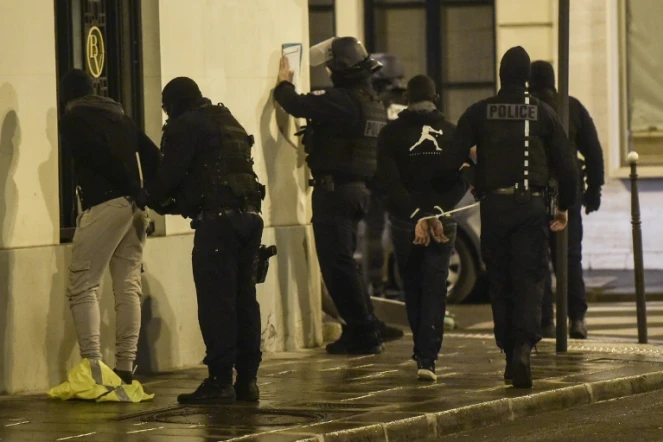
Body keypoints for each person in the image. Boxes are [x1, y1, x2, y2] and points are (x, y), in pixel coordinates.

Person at [433, 47, 578, 388]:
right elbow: (567, 165)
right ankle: (524, 348)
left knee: (500, 280)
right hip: (531, 208)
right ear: (526, 77)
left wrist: (467, 179)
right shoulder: (542, 114)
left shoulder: (478, 113)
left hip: (495, 209)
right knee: (529, 278)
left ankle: (509, 350)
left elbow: (450, 159)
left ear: (501, 75)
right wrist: (564, 205)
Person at [139, 77, 265, 404]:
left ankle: (220, 381)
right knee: (244, 300)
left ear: (175, 103)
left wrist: (147, 195)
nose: (167, 116)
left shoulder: (185, 125)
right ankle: (248, 381)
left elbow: (167, 181)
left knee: (217, 302)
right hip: (250, 218)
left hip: (219, 223)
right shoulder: (227, 119)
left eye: (167, 109)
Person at [274, 36, 402, 354]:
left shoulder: (343, 100)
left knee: (338, 266)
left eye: (331, 67)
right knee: (348, 264)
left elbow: (295, 103)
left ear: (342, 68)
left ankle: (362, 331)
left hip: (336, 192)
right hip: (357, 191)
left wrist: (283, 84)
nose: (329, 72)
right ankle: (368, 322)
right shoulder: (370, 100)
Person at [58, 69, 161, 385]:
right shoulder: (119, 115)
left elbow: (96, 155)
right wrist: (147, 193)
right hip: (133, 207)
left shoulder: (74, 118)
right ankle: (125, 368)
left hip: (105, 204)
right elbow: (152, 152)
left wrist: (128, 184)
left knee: (82, 284)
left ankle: (92, 369)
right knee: (128, 284)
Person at [376, 75, 471, 381]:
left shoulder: (391, 134)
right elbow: (464, 176)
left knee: (413, 286)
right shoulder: (454, 133)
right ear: (436, 98)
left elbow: (388, 182)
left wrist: (417, 213)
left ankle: (420, 353)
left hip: (407, 221)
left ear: (406, 100)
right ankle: (428, 359)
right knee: (435, 287)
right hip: (444, 219)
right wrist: (440, 210)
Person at [529, 60, 605, 340]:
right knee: (570, 258)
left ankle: (545, 320)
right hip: (568, 193)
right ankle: (577, 319)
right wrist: (594, 191)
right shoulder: (572, 106)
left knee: (538, 259)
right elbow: (594, 152)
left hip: (534, 193)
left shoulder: (527, 108)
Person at [362, 53, 407, 300]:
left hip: (375, 176)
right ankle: (405, 287)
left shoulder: (372, 101)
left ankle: (376, 287)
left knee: (373, 232)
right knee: (406, 231)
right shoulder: (406, 101)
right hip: (403, 178)